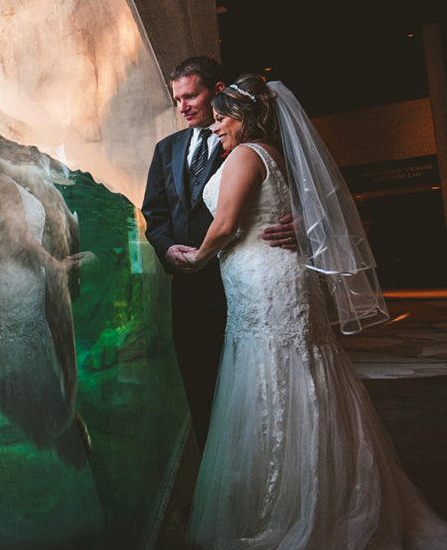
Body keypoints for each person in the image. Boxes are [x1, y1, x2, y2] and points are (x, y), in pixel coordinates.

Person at [174, 75, 447, 548]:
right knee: (301, 374)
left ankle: (295, 505)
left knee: (274, 378)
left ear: (245, 116)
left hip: (265, 283)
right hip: (272, 279)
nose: (216, 128)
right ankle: (329, 490)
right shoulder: (273, 155)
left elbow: (226, 222)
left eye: (221, 118)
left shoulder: (245, 154)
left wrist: (195, 258)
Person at [141, 56, 295, 448]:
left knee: (255, 382)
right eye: (177, 99)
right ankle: (217, 468)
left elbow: (293, 192)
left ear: (219, 91)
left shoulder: (251, 143)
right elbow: (154, 214)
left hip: (245, 286)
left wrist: (304, 223)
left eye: (191, 95)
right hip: (190, 288)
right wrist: (165, 247)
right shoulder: (166, 149)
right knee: (199, 381)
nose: (183, 106)